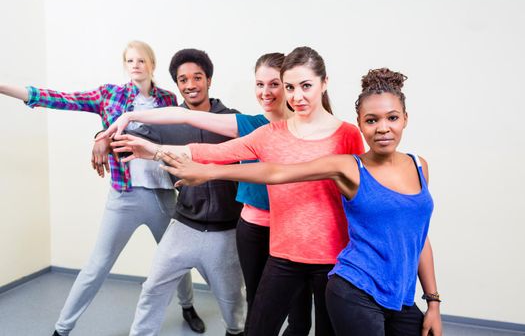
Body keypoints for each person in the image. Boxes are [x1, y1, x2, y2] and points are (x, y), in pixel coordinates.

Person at [157, 68, 443, 336]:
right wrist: (209, 172)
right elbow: (277, 171)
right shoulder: (349, 166)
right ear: (360, 125)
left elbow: (418, 236)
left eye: (392, 118)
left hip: (401, 298)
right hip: (356, 288)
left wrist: (433, 302)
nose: (383, 128)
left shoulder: (419, 166)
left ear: (405, 118)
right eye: (372, 120)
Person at [111, 46, 365, 336]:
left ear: (324, 83)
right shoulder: (269, 133)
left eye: (305, 86)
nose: (297, 96)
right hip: (284, 254)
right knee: (257, 327)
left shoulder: (347, 134)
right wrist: (153, 150)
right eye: (291, 87)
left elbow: (359, 200)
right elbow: (211, 151)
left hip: (331, 257)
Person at [0, 41, 203, 336]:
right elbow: (62, 99)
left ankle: (188, 306)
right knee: (96, 266)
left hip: (163, 195)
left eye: (141, 60)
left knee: (176, 259)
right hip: (125, 197)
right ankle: (62, 328)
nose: (135, 65)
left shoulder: (168, 99)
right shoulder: (110, 95)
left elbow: (182, 133)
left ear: (151, 65)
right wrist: (5, 88)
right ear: (125, 65)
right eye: (130, 60)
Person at [123, 48, 246, 336]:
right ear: (177, 85)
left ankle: (235, 331)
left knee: (233, 303)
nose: (190, 85)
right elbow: (130, 139)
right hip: (184, 225)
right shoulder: (169, 122)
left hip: (226, 231)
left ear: (209, 80)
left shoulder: (232, 120)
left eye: (197, 77)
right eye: (183, 79)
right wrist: (101, 140)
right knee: (152, 289)